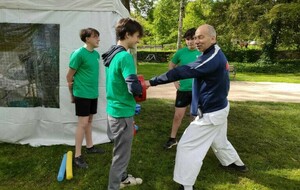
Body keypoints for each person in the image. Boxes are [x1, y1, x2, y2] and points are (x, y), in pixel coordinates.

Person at [145, 24, 248, 190]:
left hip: (212, 113)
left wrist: (151, 82)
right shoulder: (212, 53)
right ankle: (236, 163)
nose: (197, 41)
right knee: (219, 139)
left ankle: (186, 185)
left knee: (187, 145)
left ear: (213, 38)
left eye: (201, 37)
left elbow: (181, 71)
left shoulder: (211, 58)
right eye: (195, 37)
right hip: (219, 108)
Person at [101, 18, 144, 190]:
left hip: (114, 109)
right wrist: (139, 91)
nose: (138, 40)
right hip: (122, 113)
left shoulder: (112, 54)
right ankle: (114, 186)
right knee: (121, 154)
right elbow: (133, 85)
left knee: (120, 149)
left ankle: (123, 177)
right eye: (136, 36)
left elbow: (117, 82)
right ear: (127, 35)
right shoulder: (125, 56)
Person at [66, 28, 105, 169]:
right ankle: (77, 156)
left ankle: (90, 147)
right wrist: (72, 94)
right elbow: (69, 77)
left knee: (89, 121)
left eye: (98, 36)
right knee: (82, 124)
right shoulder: (78, 54)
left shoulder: (95, 54)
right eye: (95, 37)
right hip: (82, 94)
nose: (98, 39)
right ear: (87, 38)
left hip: (92, 94)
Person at [164, 28, 201, 149]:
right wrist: (174, 80)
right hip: (183, 90)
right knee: (178, 116)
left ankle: (192, 139)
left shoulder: (202, 53)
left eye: (193, 39)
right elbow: (171, 65)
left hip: (197, 91)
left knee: (194, 116)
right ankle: (172, 139)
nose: (190, 42)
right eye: (188, 39)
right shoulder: (180, 53)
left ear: (197, 39)